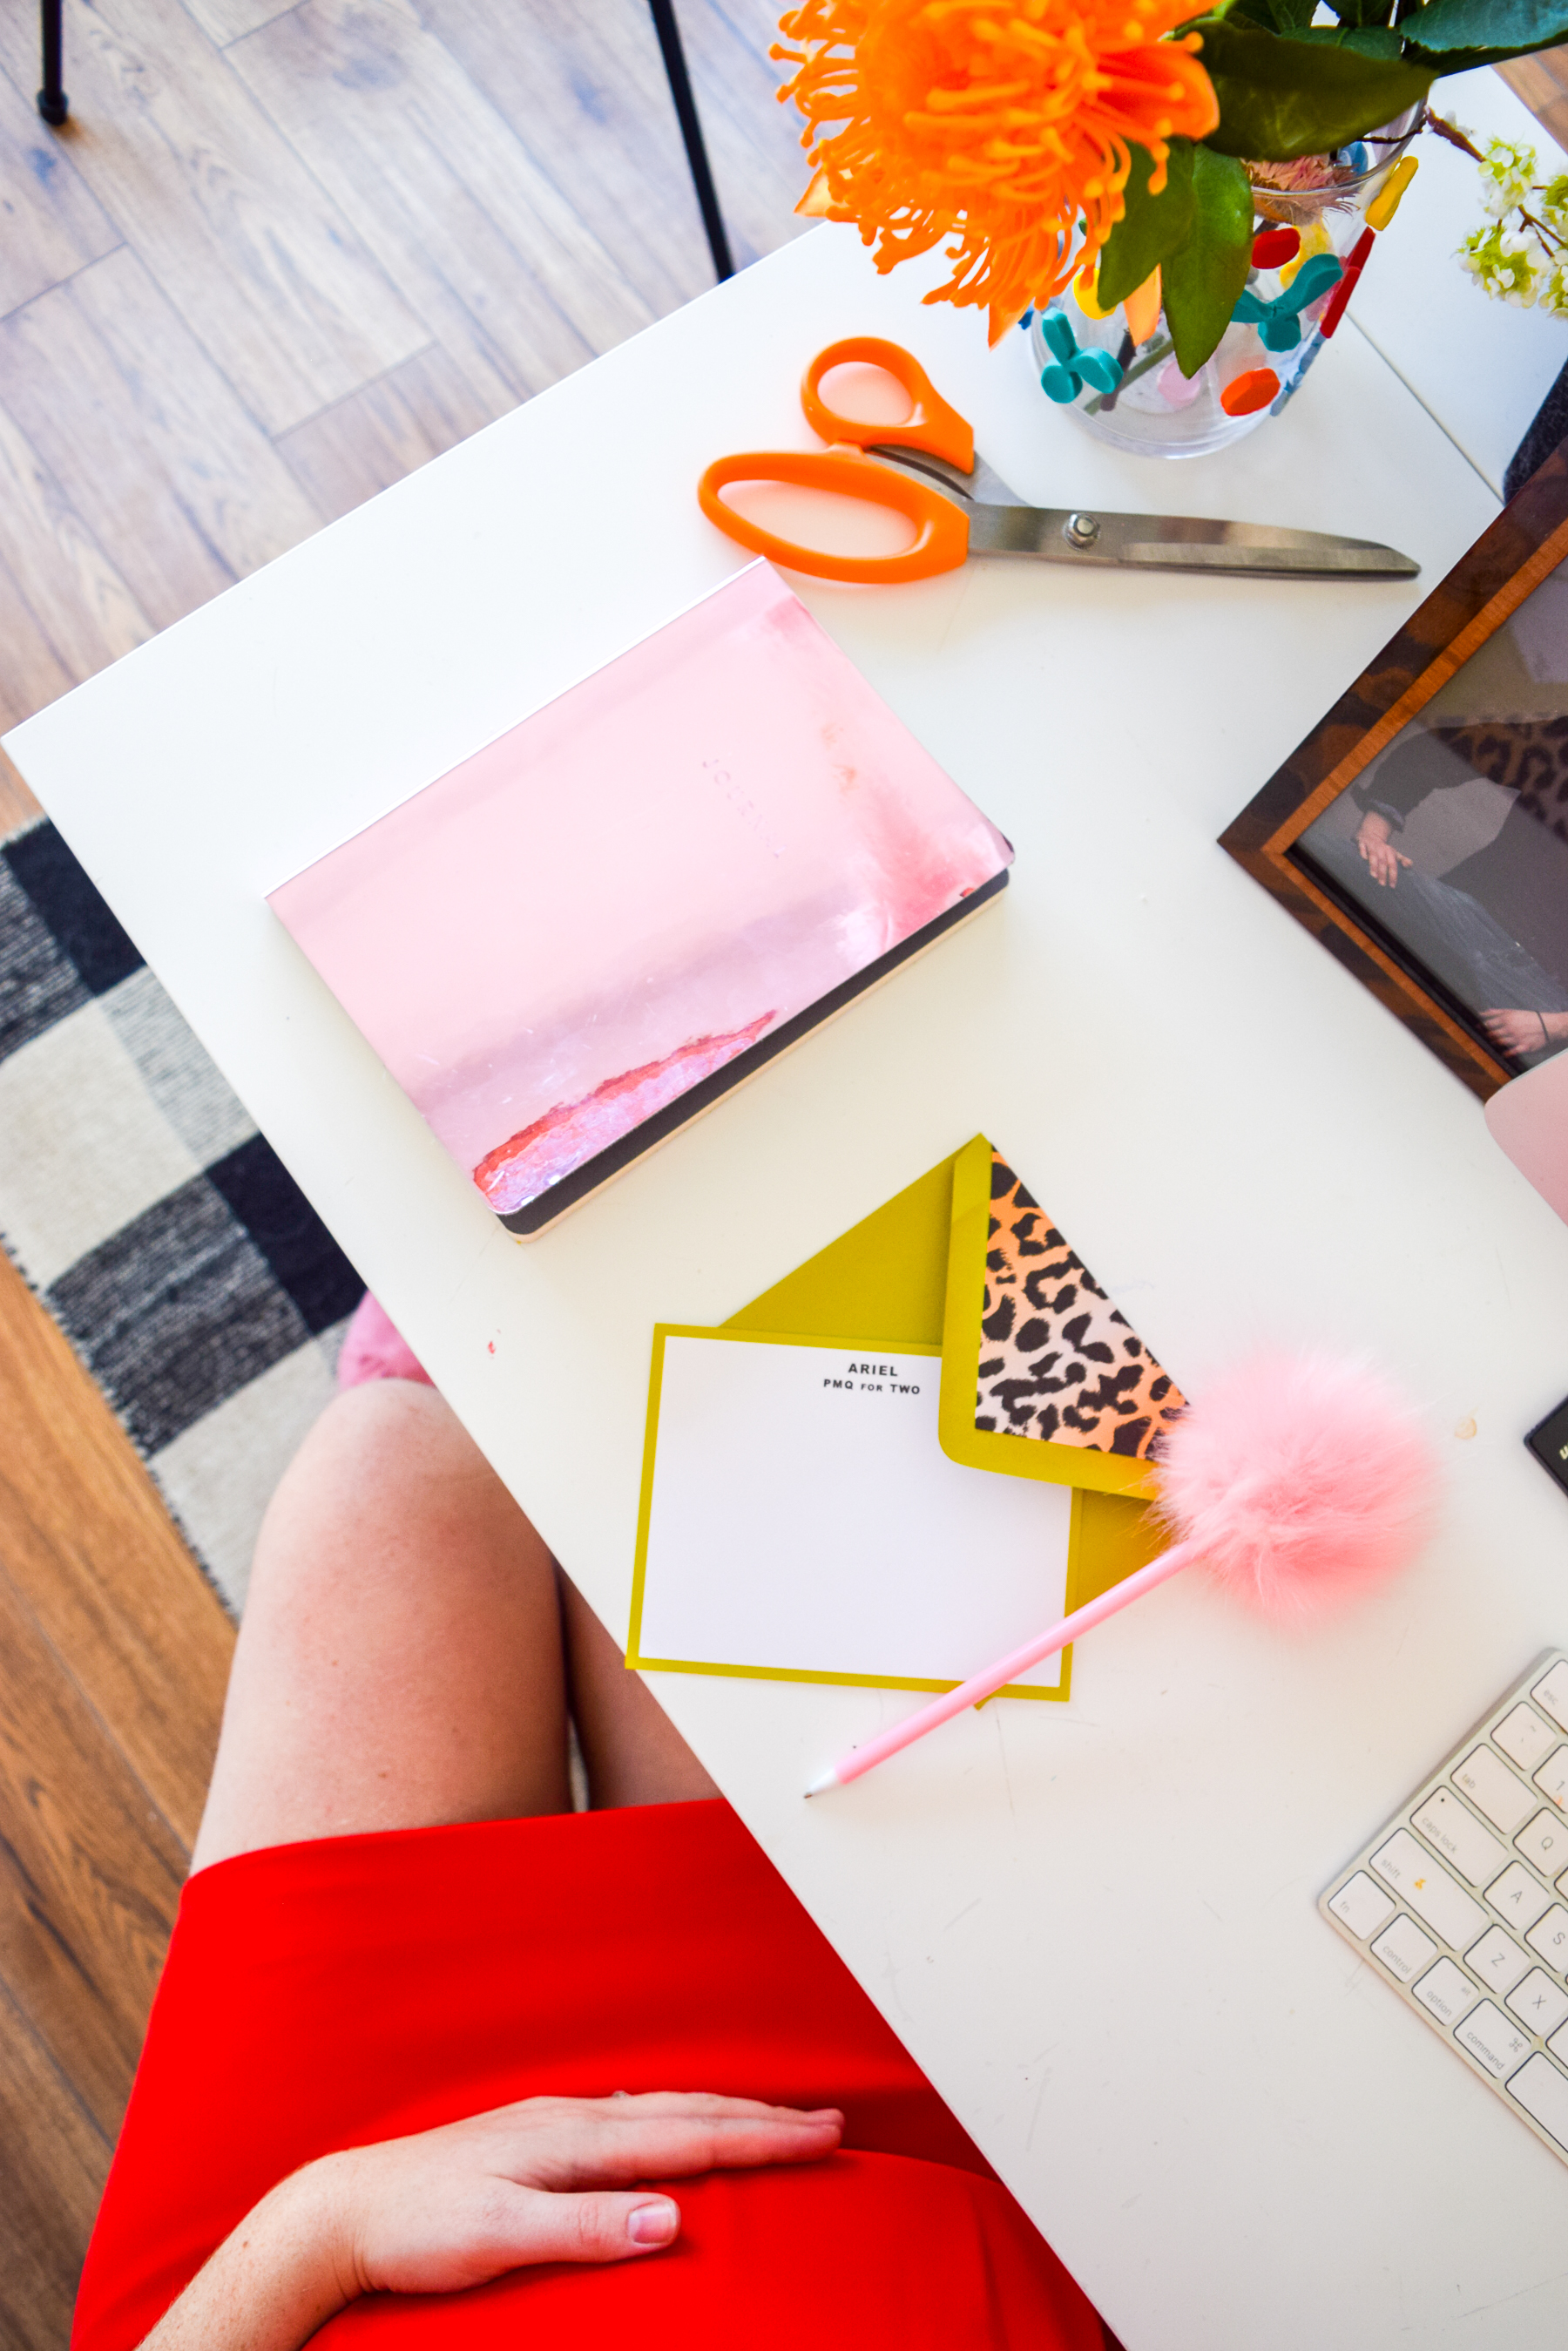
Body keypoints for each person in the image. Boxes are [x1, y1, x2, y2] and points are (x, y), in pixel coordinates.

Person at [72, 1302, 1110, 2351]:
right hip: (952, 2187)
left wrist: (325, 2225)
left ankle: (503, 1347)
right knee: (719, 1439)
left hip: (316, 2245)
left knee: (391, 1458)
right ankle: (576, 1341)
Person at [1307, 726, 1568, 1067]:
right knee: (1310, 855)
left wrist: (1556, 1026)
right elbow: (1434, 752)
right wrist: (1374, 833)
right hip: (1459, 915)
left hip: (1538, 1002)